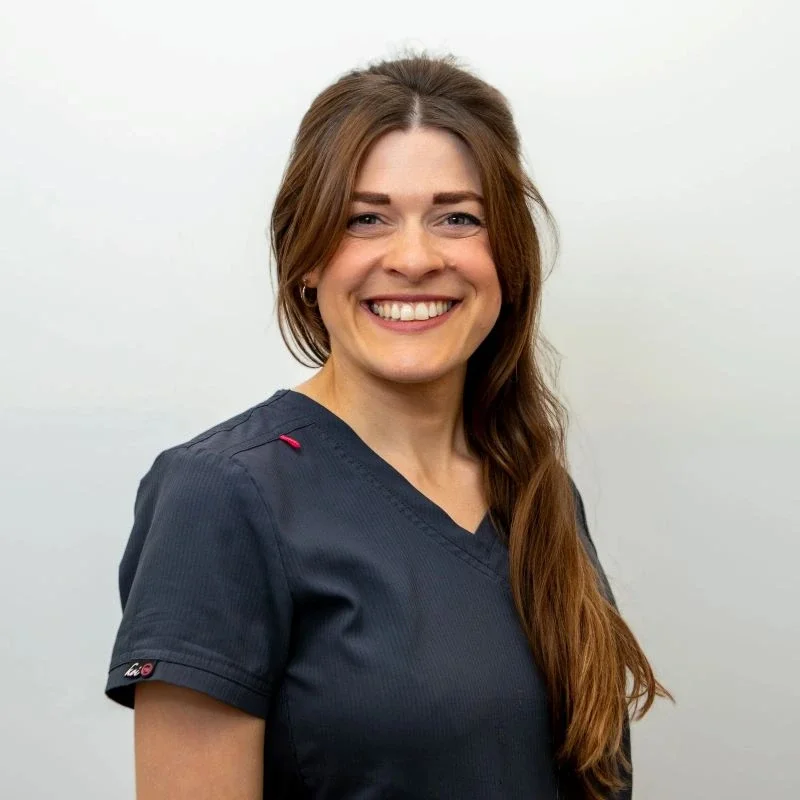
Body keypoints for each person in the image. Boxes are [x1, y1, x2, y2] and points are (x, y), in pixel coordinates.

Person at [105, 52, 671, 799]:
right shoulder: (221, 496)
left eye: (457, 218)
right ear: (305, 260)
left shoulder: (538, 492)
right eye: (365, 219)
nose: (414, 258)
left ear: (507, 257)